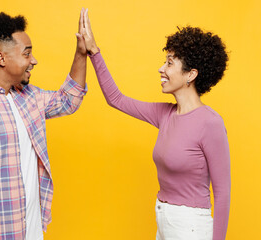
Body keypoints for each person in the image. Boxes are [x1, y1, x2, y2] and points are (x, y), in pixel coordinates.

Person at [79, 9, 230, 240]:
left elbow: (222, 192)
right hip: (163, 220)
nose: (161, 68)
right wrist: (93, 51)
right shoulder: (165, 114)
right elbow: (116, 99)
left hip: (190, 227)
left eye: (170, 63)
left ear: (191, 74)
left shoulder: (210, 123)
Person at [0, 11, 88, 240]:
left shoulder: (27, 97)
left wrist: (81, 53)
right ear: (1, 58)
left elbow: (68, 100)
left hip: (30, 231)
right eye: (26, 54)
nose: (34, 60)